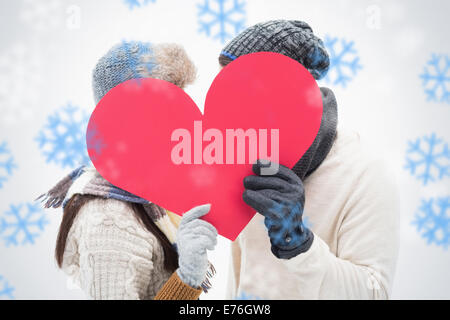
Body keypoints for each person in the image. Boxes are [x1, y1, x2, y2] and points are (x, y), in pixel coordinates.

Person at [220, 20, 400, 299]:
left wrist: (298, 243)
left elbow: (374, 292)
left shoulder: (364, 172)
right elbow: (242, 276)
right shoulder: (248, 158)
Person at [37, 41, 218, 300]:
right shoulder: (111, 221)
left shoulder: (154, 197)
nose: (183, 126)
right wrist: (187, 279)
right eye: (164, 111)